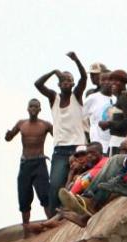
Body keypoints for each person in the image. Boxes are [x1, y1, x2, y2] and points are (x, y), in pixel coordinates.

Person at [35, 52, 88, 215]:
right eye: (63, 81)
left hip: (78, 147)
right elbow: (38, 84)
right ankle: (53, 215)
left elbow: (84, 78)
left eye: (69, 80)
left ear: (72, 83)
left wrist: (77, 61)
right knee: (56, 184)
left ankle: (78, 210)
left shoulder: (76, 96)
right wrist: (53, 72)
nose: (66, 83)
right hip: (60, 149)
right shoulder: (54, 98)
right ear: (59, 84)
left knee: (78, 181)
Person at [5, 99, 54, 226]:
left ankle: (51, 222)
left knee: (45, 195)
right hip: (25, 163)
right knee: (24, 197)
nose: (33, 109)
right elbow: (9, 138)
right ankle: (25, 227)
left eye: (36, 107)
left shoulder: (46, 125)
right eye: (31, 106)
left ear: (39, 109)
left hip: (39, 163)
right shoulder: (21, 124)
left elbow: (60, 136)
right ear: (27, 109)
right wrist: (8, 135)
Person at [83, 71, 113, 154]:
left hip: (114, 144)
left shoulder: (117, 98)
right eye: (103, 80)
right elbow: (79, 117)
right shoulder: (93, 98)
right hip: (98, 146)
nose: (106, 82)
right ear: (99, 82)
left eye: (109, 79)